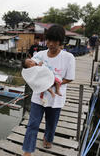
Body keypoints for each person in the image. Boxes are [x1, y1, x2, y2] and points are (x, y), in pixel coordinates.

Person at [22, 25, 75, 156]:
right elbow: (29, 70)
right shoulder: (38, 55)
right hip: (38, 97)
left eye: (54, 41)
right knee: (32, 124)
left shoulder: (68, 57)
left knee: (51, 124)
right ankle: (27, 151)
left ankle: (48, 138)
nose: (50, 44)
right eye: (48, 40)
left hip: (55, 98)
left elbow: (70, 78)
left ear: (61, 41)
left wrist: (53, 83)